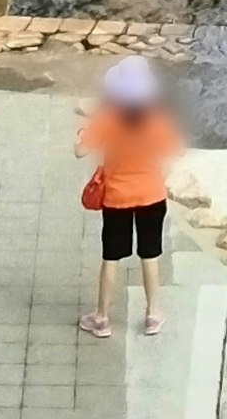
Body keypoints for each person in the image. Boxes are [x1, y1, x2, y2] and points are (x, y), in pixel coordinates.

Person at [75, 55, 184, 338]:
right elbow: (175, 151)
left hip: (116, 198)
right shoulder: (157, 120)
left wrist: (80, 137)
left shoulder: (107, 118)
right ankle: (153, 315)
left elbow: (80, 151)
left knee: (111, 257)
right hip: (152, 195)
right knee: (150, 254)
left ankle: (101, 318)